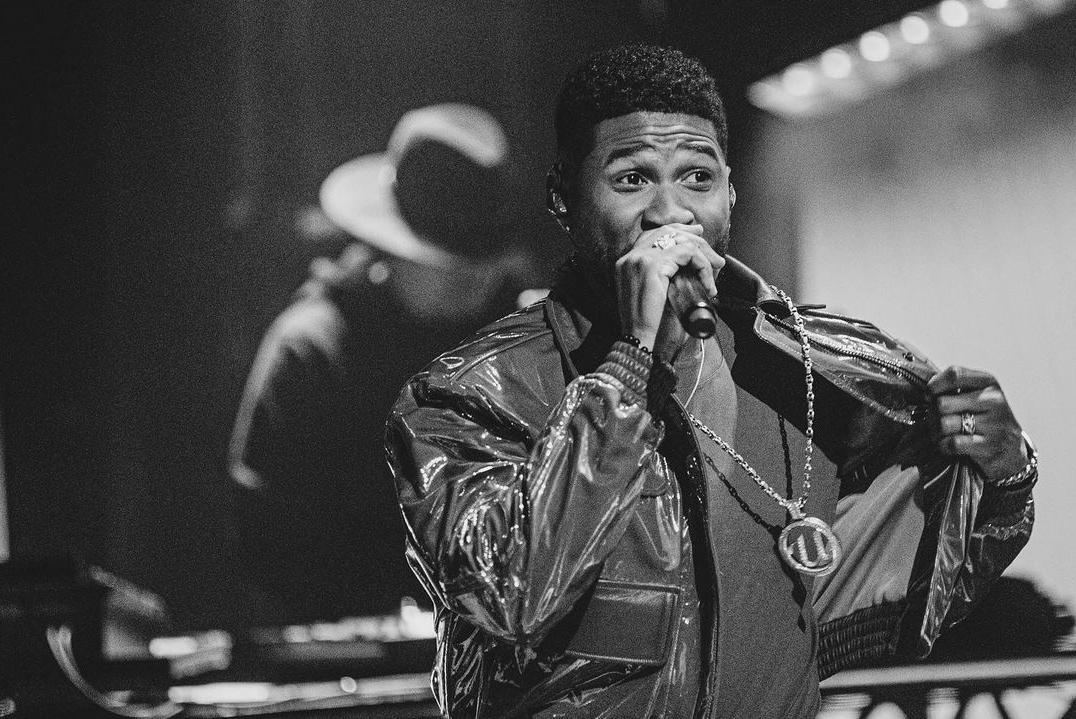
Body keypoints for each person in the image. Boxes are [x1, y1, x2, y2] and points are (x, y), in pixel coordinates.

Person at [384, 46, 1038, 718]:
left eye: (696, 176)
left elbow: (915, 587)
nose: (671, 211)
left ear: (729, 193)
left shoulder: (806, 371)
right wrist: (632, 366)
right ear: (564, 199)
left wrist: (1001, 475)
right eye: (632, 178)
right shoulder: (467, 393)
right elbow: (507, 594)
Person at [229, 104, 533, 624]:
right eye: (453, 268)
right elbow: (268, 543)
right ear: (388, 250)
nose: (479, 281)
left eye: (484, 266)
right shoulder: (311, 350)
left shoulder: (521, 342)